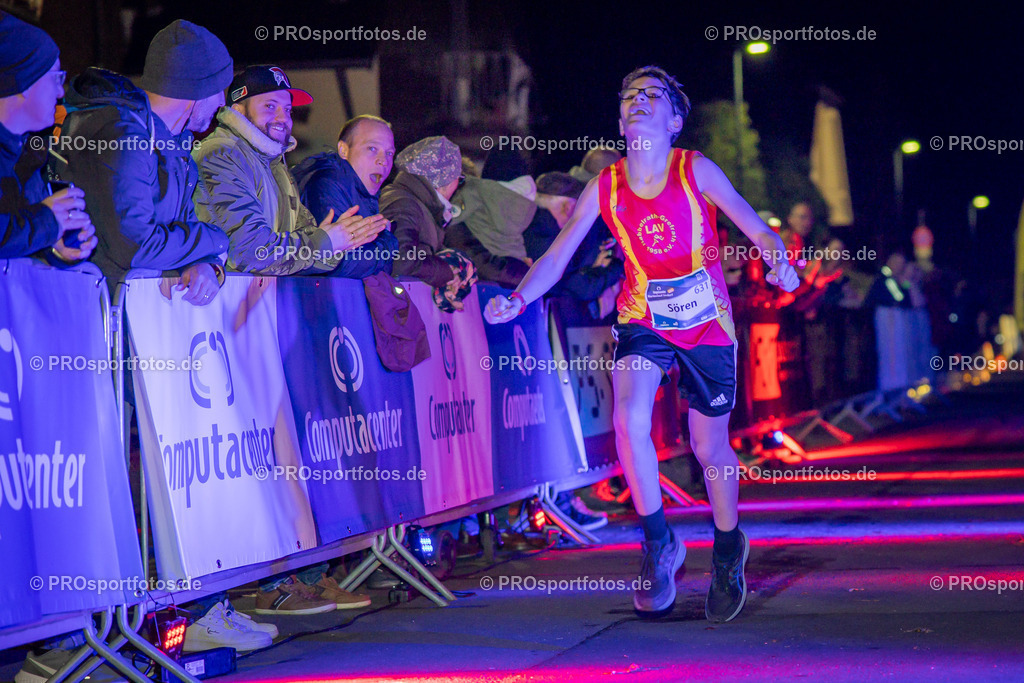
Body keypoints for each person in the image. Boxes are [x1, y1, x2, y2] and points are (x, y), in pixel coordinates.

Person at [485, 66, 798, 622]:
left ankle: (728, 548)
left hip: (706, 322)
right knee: (630, 417)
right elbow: (557, 256)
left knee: (709, 449)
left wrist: (778, 260)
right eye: (630, 95)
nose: (639, 101)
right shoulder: (604, 187)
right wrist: (520, 299)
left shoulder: (694, 168)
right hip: (642, 316)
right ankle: (659, 544)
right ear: (621, 117)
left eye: (653, 96)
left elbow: (756, 228)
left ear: (674, 120)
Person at [57, 19, 231, 301]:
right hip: (93, 318)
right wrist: (217, 239)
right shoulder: (124, 136)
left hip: (137, 320)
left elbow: (183, 236)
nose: (222, 102)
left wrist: (208, 265)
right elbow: (136, 246)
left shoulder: (175, 147)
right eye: (218, 88)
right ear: (196, 88)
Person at [193, 66, 391, 277]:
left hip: (257, 305)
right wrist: (323, 243)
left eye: (287, 110)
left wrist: (335, 246)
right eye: (270, 106)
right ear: (238, 110)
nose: (283, 118)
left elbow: (299, 252)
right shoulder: (222, 154)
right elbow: (251, 252)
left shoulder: (274, 164)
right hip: (220, 305)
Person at [0, 12, 96, 263]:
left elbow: (16, 239)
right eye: (55, 77)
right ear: (25, 81)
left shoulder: (28, 154)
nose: (60, 92)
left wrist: (58, 246)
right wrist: (47, 221)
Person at [380, 135, 478, 311]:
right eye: (459, 179)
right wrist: (445, 272)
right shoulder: (405, 203)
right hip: (393, 311)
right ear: (445, 180)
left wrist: (449, 275)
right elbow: (400, 259)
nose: (458, 185)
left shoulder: (419, 205)